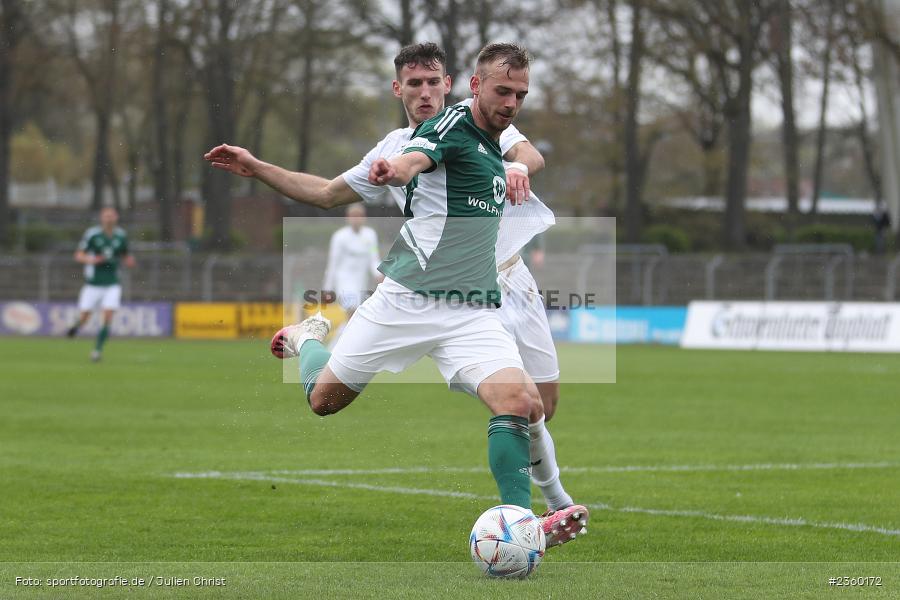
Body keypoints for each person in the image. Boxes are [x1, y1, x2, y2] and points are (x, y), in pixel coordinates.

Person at [205, 43, 585, 545]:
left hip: (476, 304)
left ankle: (528, 524)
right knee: (323, 401)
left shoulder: (494, 122)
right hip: (406, 299)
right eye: (415, 83)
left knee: (522, 402)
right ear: (400, 89)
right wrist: (258, 167)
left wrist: (519, 167)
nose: (512, 102)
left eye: (520, 94)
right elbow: (372, 175)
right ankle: (307, 336)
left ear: (450, 83)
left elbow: (528, 154)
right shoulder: (441, 129)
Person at [66, 206, 136, 362]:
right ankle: (76, 327)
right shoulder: (92, 234)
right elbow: (78, 255)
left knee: (108, 315)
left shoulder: (121, 235)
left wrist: (129, 261)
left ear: (116, 218)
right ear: (101, 218)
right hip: (93, 284)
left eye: (112, 216)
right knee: (85, 317)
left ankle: (97, 351)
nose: (109, 218)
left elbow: (125, 255)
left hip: (112, 283)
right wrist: (92, 260)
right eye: (106, 216)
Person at [322, 204, 383, 341]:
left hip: (360, 281)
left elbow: (374, 259)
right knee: (352, 312)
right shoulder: (339, 237)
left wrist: (379, 274)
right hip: (343, 281)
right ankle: (344, 346)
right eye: (353, 216)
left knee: (353, 317)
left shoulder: (370, 235)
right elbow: (332, 264)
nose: (356, 219)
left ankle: (338, 346)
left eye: (359, 216)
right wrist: (327, 288)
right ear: (347, 218)